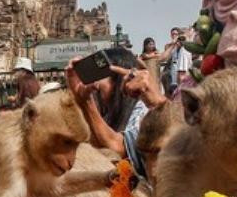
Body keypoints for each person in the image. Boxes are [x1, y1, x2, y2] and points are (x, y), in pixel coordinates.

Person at [66, 47, 166, 178]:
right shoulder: (108, 114)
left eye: (99, 77)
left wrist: (86, 101)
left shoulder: (144, 111)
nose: (93, 84)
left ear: (119, 78)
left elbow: (118, 148)